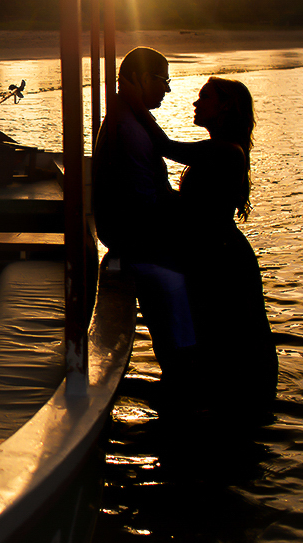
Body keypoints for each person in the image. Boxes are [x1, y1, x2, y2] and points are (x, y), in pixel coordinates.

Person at [124, 75, 279, 422]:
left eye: (204, 98)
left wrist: (131, 101)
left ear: (224, 106)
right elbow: (193, 205)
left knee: (231, 331)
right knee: (219, 331)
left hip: (222, 259)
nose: (195, 104)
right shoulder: (221, 150)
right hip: (212, 254)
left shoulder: (224, 151)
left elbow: (165, 146)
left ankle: (235, 407)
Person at [92, 47, 201, 401]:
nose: (167, 90)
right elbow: (145, 207)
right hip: (142, 248)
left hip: (136, 240)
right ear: (138, 79)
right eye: (162, 80)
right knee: (182, 348)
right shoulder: (129, 129)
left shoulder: (129, 121)